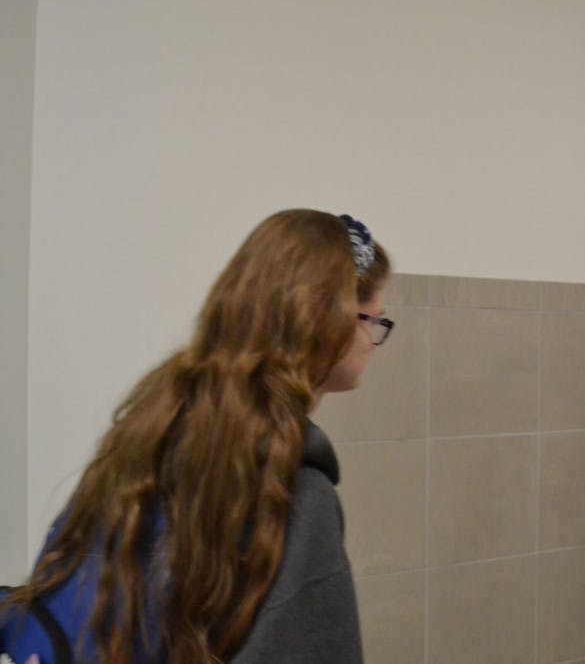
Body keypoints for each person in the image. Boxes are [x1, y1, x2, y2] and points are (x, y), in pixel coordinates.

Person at [0, 209, 393, 663]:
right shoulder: (295, 487)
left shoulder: (156, 425)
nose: (371, 339)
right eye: (372, 320)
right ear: (331, 324)